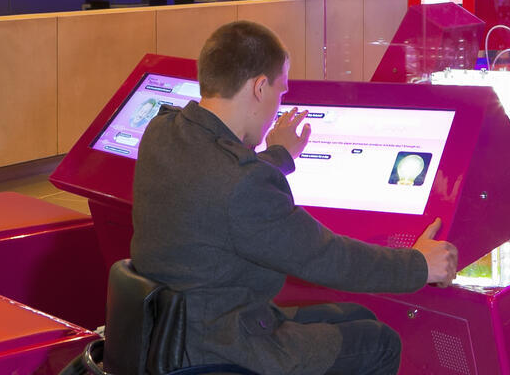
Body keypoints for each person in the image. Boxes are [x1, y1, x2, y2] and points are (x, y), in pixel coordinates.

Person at [132, 20, 460, 375]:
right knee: (380, 342)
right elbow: (327, 257)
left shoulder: (162, 131)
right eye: (281, 92)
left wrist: (278, 155)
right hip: (221, 346)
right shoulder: (244, 186)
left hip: (170, 332)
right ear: (259, 87)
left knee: (356, 314)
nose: (279, 104)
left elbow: (215, 181)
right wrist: (419, 265)